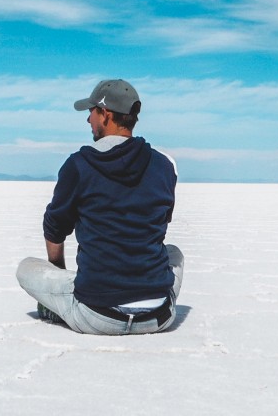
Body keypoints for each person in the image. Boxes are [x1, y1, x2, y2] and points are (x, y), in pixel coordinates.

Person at [16, 79, 183, 334]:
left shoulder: (79, 165)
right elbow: (160, 224)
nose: (88, 120)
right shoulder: (164, 166)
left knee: (26, 268)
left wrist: (58, 270)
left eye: (91, 112)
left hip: (97, 315)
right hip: (159, 315)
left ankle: (59, 307)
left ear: (105, 114)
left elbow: (54, 227)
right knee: (174, 253)